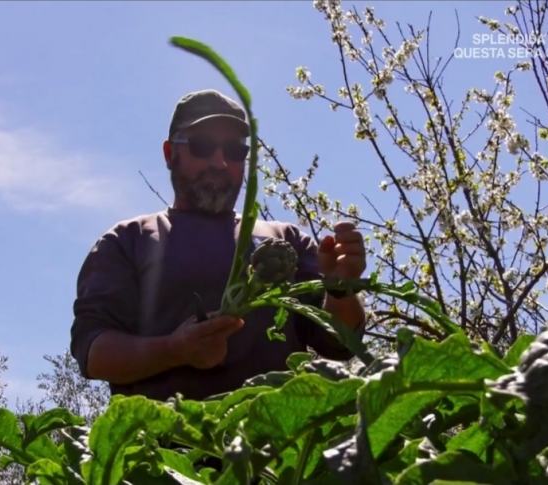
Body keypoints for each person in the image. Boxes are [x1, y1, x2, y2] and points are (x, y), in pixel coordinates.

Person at [69, 89, 366, 401]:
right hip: (165, 445)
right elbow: (94, 353)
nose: (220, 162)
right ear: (171, 154)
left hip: (274, 444)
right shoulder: (128, 241)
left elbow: (340, 344)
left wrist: (341, 290)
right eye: (202, 147)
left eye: (235, 151)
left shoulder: (285, 241)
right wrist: (174, 350)